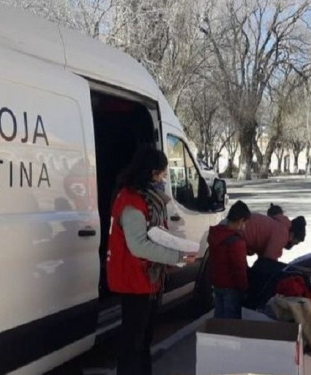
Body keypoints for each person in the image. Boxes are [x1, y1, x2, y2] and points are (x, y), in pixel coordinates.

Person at [106, 147, 197, 375]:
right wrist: (177, 257)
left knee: (143, 339)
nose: (163, 180)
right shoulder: (132, 202)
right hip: (134, 279)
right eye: (161, 175)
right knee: (133, 341)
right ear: (150, 172)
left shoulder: (146, 198)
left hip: (147, 279)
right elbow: (139, 246)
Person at [207, 200, 252, 319]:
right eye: (245, 223)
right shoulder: (236, 242)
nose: (244, 226)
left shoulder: (215, 234)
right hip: (231, 287)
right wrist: (244, 288)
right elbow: (239, 268)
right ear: (241, 220)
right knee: (230, 323)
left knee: (219, 318)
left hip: (217, 283)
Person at [241, 211, 307, 262]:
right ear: (292, 235)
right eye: (294, 243)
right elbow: (269, 261)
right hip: (239, 235)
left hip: (239, 228)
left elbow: (263, 256)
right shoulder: (282, 234)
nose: (292, 246)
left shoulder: (278, 224)